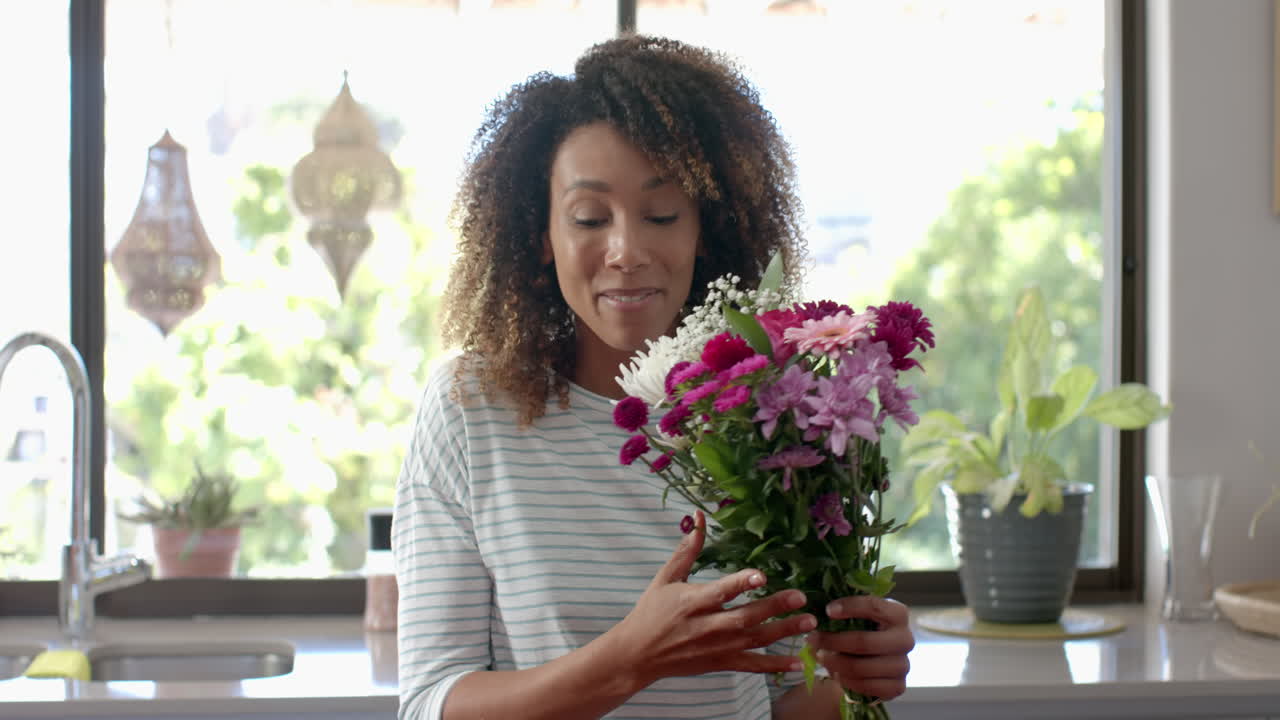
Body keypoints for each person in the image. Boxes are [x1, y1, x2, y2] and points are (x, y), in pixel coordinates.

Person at [392, 34, 915, 720]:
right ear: (541, 236)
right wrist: (628, 661)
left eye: (662, 214)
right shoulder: (471, 409)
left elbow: (789, 697)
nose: (627, 251)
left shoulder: (773, 413)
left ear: (707, 229)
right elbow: (431, 701)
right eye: (589, 217)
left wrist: (856, 672)